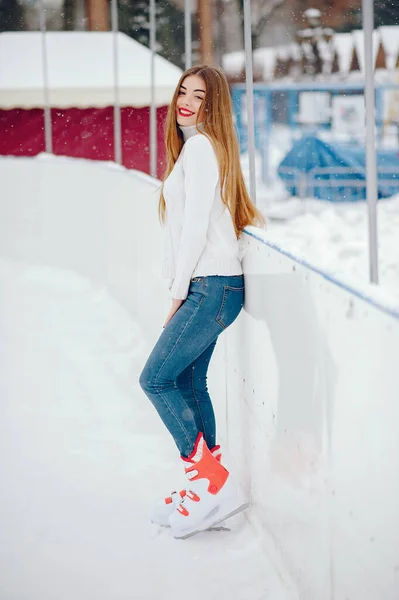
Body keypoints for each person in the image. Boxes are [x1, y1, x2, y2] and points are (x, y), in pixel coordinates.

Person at [139, 65, 264, 539]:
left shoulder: (200, 148)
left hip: (210, 286)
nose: (187, 102)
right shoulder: (198, 149)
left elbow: (193, 229)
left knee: (154, 379)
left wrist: (177, 294)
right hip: (214, 286)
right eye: (183, 92)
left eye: (200, 95)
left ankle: (213, 482)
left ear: (214, 106)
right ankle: (209, 492)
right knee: (189, 383)